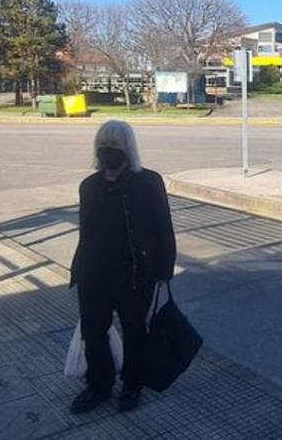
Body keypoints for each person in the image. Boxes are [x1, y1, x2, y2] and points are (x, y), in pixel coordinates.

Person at [69, 120, 177, 414]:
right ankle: (98, 386)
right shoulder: (89, 186)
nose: (108, 151)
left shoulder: (148, 182)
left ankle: (132, 384)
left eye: (115, 145)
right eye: (104, 145)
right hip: (94, 275)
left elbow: (163, 228)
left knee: (134, 332)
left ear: (128, 148)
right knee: (93, 333)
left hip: (134, 275)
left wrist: (164, 271)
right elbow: (86, 233)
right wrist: (77, 271)